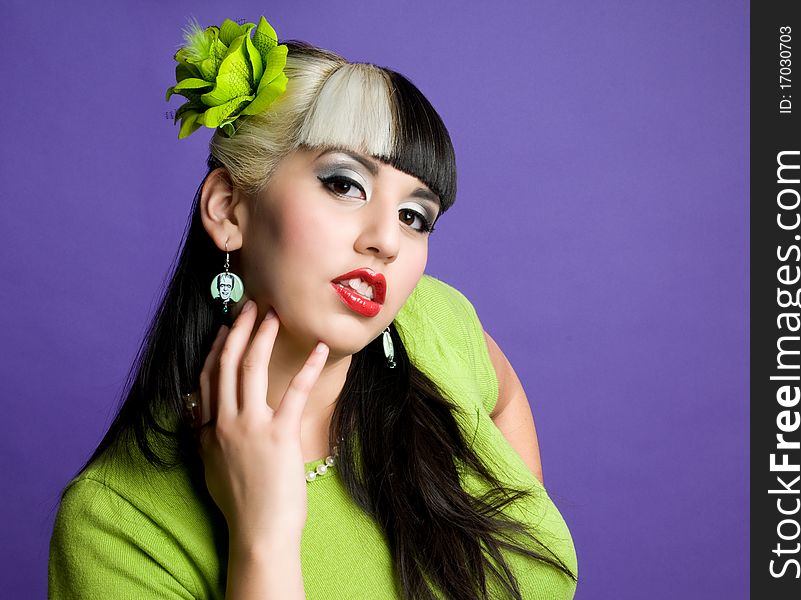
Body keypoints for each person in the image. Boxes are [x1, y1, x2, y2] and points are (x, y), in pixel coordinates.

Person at [48, 16, 577, 600]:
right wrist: (263, 539)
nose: (388, 240)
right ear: (228, 209)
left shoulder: (431, 321)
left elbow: (502, 402)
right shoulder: (116, 526)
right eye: (345, 184)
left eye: (414, 216)